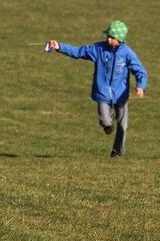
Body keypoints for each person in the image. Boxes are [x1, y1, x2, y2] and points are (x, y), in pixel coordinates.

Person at [47, 21, 148, 157]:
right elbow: (78, 52)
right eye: (108, 36)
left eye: (111, 37)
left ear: (120, 39)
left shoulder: (127, 53)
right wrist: (59, 46)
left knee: (123, 126)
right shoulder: (98, 49)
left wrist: (141, 86)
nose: (108, 39)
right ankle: (108, 124)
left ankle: (117, 152)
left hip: (120, 95)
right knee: (106, 121)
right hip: (102, 93)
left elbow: (140, 70)